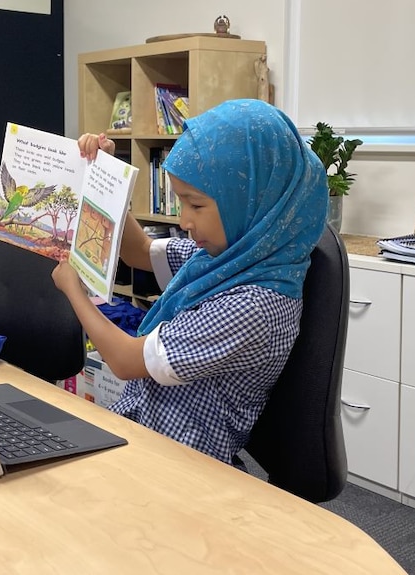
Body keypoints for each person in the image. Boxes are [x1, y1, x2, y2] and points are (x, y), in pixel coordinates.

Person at [51, 99, 329, 467]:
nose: (184, 221)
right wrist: (106, 177)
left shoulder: (255, 305)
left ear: (248, 200)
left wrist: (74, 290)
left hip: (182, 463)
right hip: (145, 435)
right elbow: (140, 251)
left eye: (195, 206)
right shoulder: (223, 258)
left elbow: (124, 361)